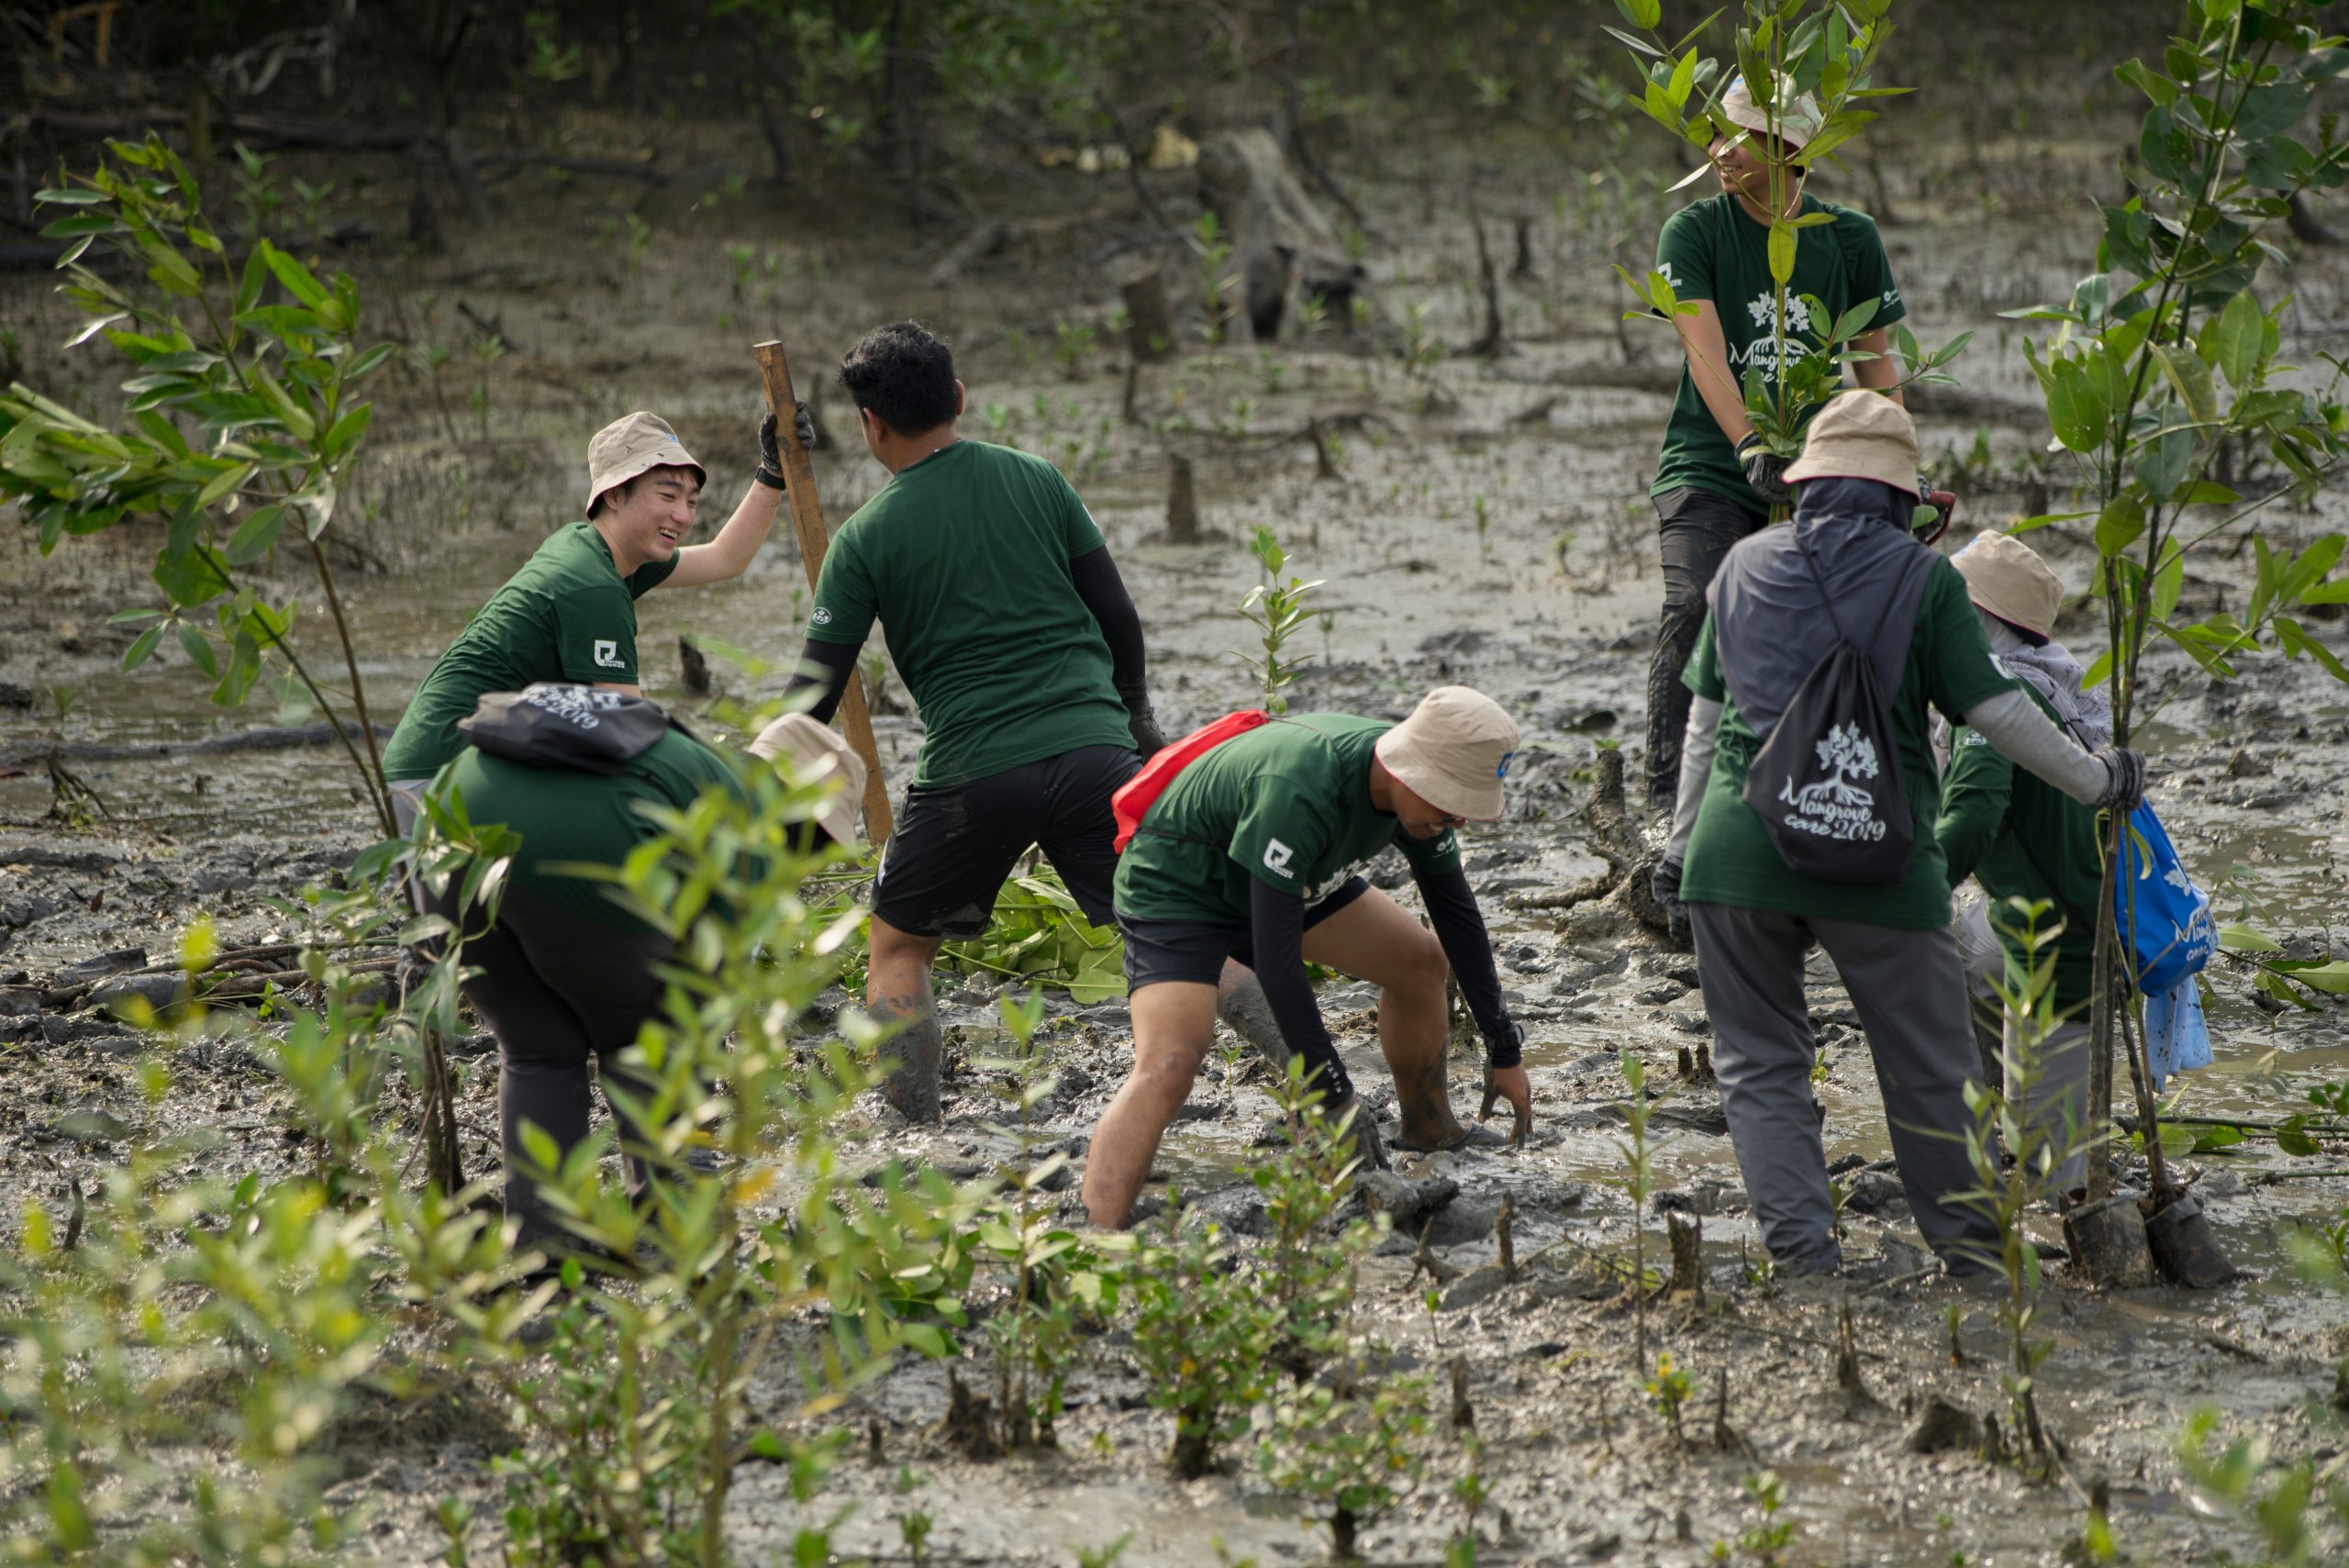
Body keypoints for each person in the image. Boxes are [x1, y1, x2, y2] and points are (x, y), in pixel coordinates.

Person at [1651, 392, 2143, 1276]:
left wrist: (1680, 846)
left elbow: (1702, 723)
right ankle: (1978, 1267)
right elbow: (2001, 715)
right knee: (1928, 1069)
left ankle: (1807, 1268)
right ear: (1902, 501)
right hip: (1878, 861)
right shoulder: (1926, 581)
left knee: (1761, 1065)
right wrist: (2100, 776)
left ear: (1804, 486)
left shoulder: (1741, 566)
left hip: (1735, 853)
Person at [781, 320, 1174, 1123]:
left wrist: (759, 783)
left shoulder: (861, 540)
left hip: (969, 777)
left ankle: (914, 1127)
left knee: (897, 946)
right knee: (1173, 930)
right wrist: (1136, 721)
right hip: (1095, 754)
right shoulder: (1038, 478)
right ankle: (1314, 1096)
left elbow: (817, 688)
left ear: (872, 426)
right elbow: (1118, 617)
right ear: (958, 399)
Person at [427, 687, 862, 1266]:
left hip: (443, 832)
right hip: (569, 849)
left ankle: (544, 1263)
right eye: (816, 843)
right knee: (650, 1048)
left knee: (539, 1052)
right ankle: (679, 1250)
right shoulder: (746, 818)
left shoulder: (683, 760)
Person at [1083, 686, 1533, 1229]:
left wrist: (1504, 1048)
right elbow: (1276, 964)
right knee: (1170, 1062)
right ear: (1409, 769)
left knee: (1420, 962)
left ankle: (1429, 1128)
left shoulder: (1418, 807)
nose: (1455, 822)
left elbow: (1456, 914)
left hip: (1287, 877)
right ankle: (1096, 1232)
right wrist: (1333, 1093)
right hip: (1181, 885)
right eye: (1449, 803)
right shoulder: (1302, 786)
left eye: (1464, 811)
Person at [1641, 72, 1913, 814]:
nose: (1718, 151)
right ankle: (1663, 797)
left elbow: (1875, 365)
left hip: (1824, 464)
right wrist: (1752, 444)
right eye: (1716, 134)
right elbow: (1706, 353)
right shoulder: (1693, 231)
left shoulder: (1850, 238)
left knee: (1843, 626)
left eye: (1739, 137)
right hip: (1711, 458)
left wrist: (1900, 469)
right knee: (1697, 599)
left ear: (1790, 149)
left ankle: (1818, 792)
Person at [381, 404, 813, 828]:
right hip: (436, 783)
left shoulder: (592, 547)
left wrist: (772, 473)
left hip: (450, 774)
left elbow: (725, 559)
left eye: (692, 501)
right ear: (614, 494)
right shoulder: (593, 586)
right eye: (666, 496)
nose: (683, 516)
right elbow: (635, 739)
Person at [1934, 531, 2108, 1194]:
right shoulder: (2056, 688)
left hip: (2061, 945)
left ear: (1978, 621)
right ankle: (1996, 1108)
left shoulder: (1996, 701)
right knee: (1958, 943)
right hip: (2072, 915)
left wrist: (1904, 886)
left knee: (2052, 1178)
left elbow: (1974, 816)